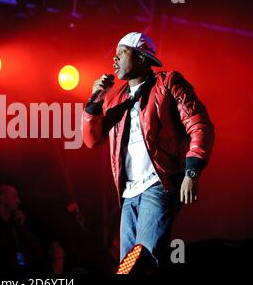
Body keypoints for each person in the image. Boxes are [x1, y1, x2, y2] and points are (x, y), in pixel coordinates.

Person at [82, 32, 215, 272]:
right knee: (126, 266)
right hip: (129, 193)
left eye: (122, 52)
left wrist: (191, 173)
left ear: (142, 58)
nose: (115, 59)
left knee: (144, 258)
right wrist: (94, 99)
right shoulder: (115, 98)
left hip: (159, 184)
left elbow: (200, 125)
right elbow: (92, 140)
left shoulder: (168, 83)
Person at [0, 184, 42, 275]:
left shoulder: (15, 227)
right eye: (15, 197)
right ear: (2, 198)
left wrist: (22, 226)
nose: (19, 201)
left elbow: (37, 252)